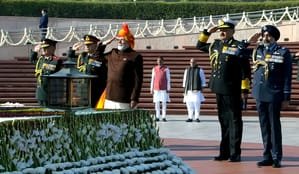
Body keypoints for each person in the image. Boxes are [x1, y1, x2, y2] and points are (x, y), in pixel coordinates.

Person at [196, 17, 251, 162]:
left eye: (225, 30)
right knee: (223, 120)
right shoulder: (215, 44)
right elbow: (199, 45)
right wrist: (207, 32)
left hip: (232, 87)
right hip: (218, 87)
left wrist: (244, 90)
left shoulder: (238, 46)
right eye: (220, 30)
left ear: (232, 31)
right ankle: (224, 152)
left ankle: (235, 153)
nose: (222, 32)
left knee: (234, 120)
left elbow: (245, 70)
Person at [249, 25, 292, 168]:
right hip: (259, 93)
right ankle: (267, 155)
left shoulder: (283, 52)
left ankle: (276, 157)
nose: (265, 38)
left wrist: (286, 97)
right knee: (264, 126)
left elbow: (287, 76)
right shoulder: (258, 50)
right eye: (263, 35)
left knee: (274, 126)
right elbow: (238, 52)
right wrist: (249, 41)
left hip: (274, 94)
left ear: (274, 37)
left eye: (268, 36)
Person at [103, 23, 143, 109]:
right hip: (109, 97)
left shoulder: (135, 56)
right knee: (108, 122)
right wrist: (103, 45)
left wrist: (134, 98)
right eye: (119, 39)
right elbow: (97, 57)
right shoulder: (113, 53)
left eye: (123, 39)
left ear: (128, 41)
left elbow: (138, 80)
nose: (120, 41)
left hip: (124, 98)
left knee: (122, 122)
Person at [68, 34, 108, 108]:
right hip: (83, 90)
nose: (86, 46)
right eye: (86, 44)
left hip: (96, 90)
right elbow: (71, 65)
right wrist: (72, 52)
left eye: (89, 44)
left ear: (95, 45)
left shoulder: (101, 57)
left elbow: (95, 68)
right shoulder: (82, 56)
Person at [30, 38, 63, 106]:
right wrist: (35, 52)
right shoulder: (41, 59)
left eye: (46, 47)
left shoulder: (56, 60)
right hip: (41, 90)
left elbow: (49, 71)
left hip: (51, 91)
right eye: (42, 48)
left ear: (53, 48)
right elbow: (32, 61)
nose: (43, 49)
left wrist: (43, 67)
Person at [182, 58, 206, 122]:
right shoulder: (187, 70)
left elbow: (203, 80)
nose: (192, 63)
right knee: (189, 105)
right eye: (191, 62)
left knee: (197, 104)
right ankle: (190, 117)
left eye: (193, 62)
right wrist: (184, 89)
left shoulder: (200, 70)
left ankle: (197, 117)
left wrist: (202, 88)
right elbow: (184, 80)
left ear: (196, 63)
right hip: (188, 90)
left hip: (196, 90)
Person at [150, 56, 171, 122]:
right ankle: (157, 116)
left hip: (164, 88)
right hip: (156, 88)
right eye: (158, 60)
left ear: (163, 61)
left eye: (160, 60)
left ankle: (164, 117)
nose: (159, 61)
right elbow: (152, 79)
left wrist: (168, 88)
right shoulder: (154, 68)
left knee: (164, 103)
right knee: (157, 103)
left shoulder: (166, 69)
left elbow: (168, 79)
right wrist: (151, 89)